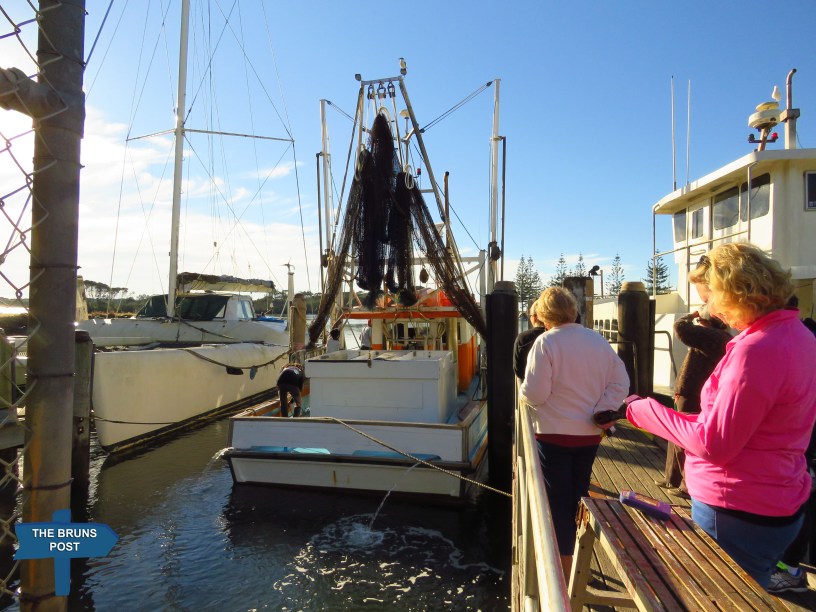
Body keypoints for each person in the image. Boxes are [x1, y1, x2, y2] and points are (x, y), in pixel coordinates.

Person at [625, 242, 816, 589]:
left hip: (734, 509)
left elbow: (715, 444)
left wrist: (642, 409)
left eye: (708, 296)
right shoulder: (800, 336)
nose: (707, 307)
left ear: (734, 291)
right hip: (780, 501)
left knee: (714, 596)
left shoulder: (756, 350)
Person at [519, 287, 629, 580]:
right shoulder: (598, 340)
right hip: (590, 434)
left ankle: (564, 572)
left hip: (553, 434)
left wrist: (522, 393)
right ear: (573, 310)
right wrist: (602, 410)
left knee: (557, 500)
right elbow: (621, 382)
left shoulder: (545, 343)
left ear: (542, 315)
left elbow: (536, 393)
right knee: (579, 493)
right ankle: (580, 559)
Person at [656, 257, 732, 495]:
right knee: (675, 437)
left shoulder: (714, 338)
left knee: (685, 441)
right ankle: (671, 478)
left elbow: (680, 328)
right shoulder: (716, 338)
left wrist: (691, 316)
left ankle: (686, 485)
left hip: (695, 395)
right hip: (688, 392)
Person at [513, 300, 546, 380]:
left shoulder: (523, 338)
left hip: (528, 384)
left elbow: (518, 370)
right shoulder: (555, 337)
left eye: (530, 315)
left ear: (534, 317)